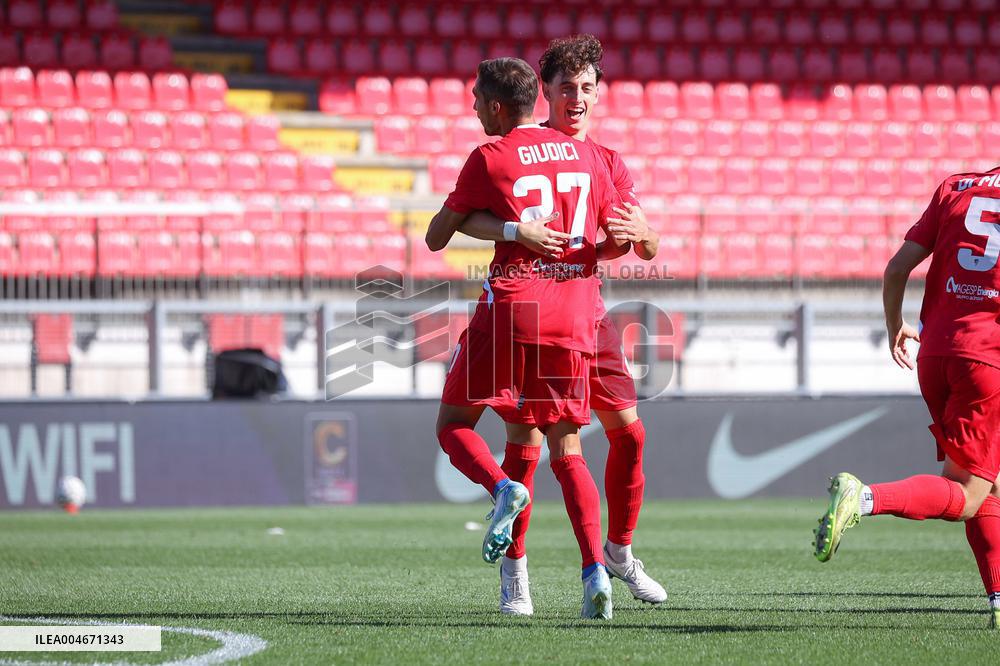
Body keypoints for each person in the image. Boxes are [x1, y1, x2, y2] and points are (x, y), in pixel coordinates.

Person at [453, 35, 665, 616]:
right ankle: (517, 573)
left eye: (587, 87)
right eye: (567, 87)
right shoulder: (525, 152)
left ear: (599, 94)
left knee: (629, 432)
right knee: (525, 440)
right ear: (544, 91)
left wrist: (642, 232)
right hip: (543, 313)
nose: (578, 97)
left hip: (587, 315)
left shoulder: (607, 161)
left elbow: (637, 247)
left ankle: (617, 553)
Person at [425, 56, 628, 619]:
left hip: (515, 307)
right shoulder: (587, 153)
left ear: (495, 106)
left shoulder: (490, 156)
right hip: (574, 315)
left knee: (456, 426)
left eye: (474, 98)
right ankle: (594, 578)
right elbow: (614, 238)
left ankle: (501, 496)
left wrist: (512, 229)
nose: (470, 106)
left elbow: (437, 236)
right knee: (567, 449)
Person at [814, 166, 1000, 629]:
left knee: (988, 480)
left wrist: (894, 326)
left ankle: (998, 596)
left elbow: (896, 268)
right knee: (969, 493)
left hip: (934, 352)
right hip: (988, 360)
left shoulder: (958, 186)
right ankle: (865, 498)